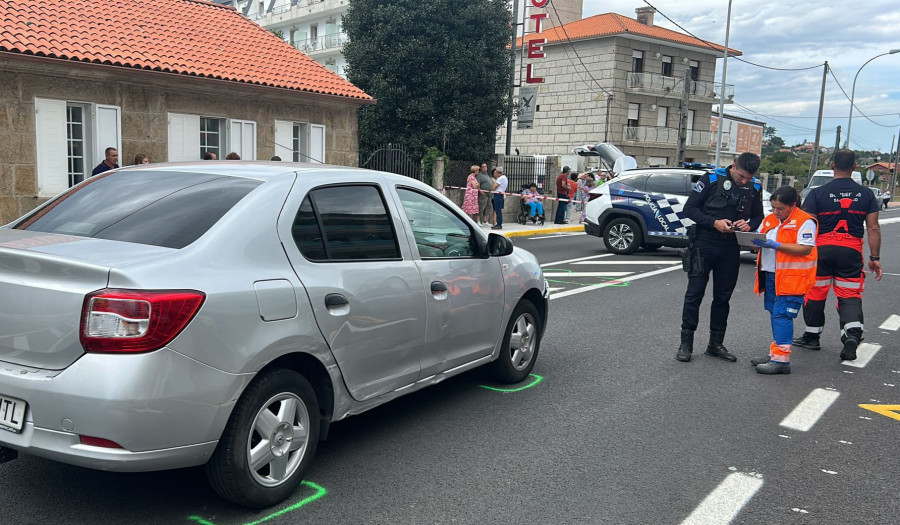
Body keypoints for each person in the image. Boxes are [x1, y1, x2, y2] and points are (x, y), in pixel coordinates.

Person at [793, 150, 882, 361]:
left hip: (820, 251)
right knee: (850, 295)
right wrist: (874, 259)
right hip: (850, 252)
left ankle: (812, 337)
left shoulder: (816, 194)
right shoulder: (867, 194)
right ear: (855, 166)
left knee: (815, 294)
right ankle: (851, 335)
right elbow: (874, 229)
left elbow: (808, 226)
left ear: (832, 165)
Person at [675, 152, 764, 363]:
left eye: (748, 178)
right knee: (694, 294)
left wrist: (749, 225)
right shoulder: (711, 179)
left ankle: (715, 344)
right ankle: (686, 343)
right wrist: (713, 222)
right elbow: (690, 209)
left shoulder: (755, 187)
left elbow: (759, 215)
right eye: (741, 176)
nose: (744, 181)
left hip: (731, 247)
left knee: (723, 297)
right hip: (704, 243)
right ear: (733, 165)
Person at [749, 186, 818, 375]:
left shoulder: (805, 221)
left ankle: (781, 360)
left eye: (780, 208)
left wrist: (777, 245)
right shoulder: (770, 219)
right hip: (771, 274)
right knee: (774, 313)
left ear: (792, 205)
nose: (775, 212)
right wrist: (753, 243)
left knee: (782, 315)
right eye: (773, 208)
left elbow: (805, 248)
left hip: (793, 278)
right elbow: (760, 237)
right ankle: (776, 353)